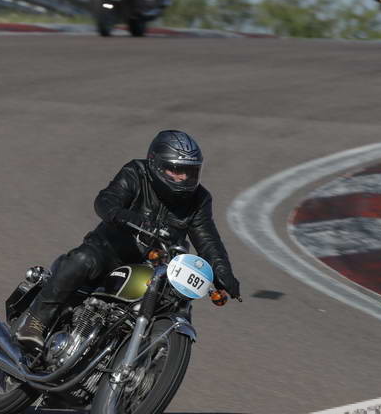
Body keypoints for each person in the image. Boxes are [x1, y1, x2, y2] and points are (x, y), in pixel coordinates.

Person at [14, 130, 242, 352]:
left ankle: (155, 355)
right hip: (111, 251)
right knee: (83, 259)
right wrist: (130, 218)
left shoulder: (199, 199)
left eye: (189, 171)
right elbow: (106, 201)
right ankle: (36, 321)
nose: (183, 177)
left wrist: (223, 272)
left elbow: (208, 239)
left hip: (157, 266)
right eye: (176, 170)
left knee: (177, 301)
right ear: (156, 164)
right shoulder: (136, 173)